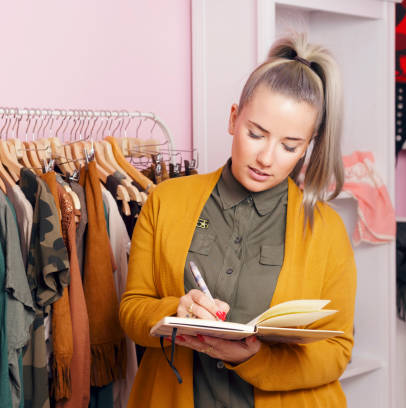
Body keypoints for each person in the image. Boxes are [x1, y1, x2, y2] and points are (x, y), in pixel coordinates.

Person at [119, 34, 357, 408]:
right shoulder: (167, 200)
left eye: (289, 146)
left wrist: (252, 357)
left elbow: (337, 349)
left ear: (307, 146)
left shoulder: (326, 230)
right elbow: (132, 310)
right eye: (255, 134)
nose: (266, 157)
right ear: (234, 119)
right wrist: (175, 311)